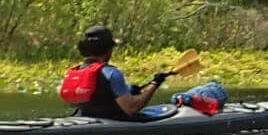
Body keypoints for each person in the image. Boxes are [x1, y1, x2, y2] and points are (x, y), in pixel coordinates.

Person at [56, 25, 222, 121]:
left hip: (89, 119)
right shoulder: (111, 74)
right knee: (213, 90)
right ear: (107, 49)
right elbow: (131, 109)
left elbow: (98, 98)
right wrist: (155, 84)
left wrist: (128, 92)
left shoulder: (76, 73)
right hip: (119, 122)